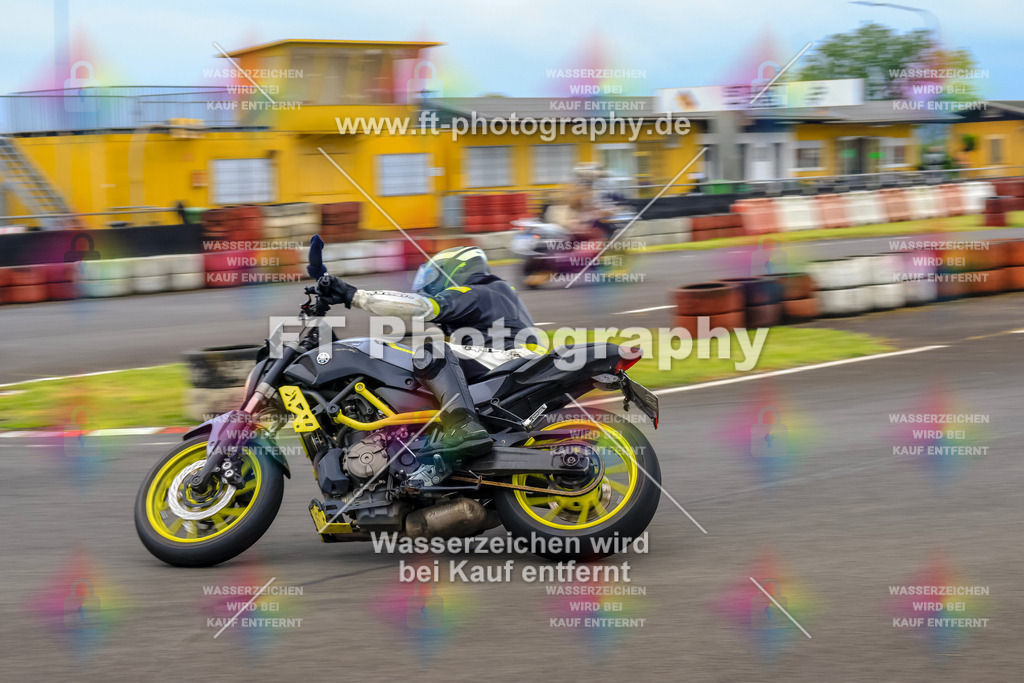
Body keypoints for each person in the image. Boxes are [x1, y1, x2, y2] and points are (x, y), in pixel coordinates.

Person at [315, 245, 541, 485]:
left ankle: (464, 427)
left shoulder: (480, 290)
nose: (431, 283)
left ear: (457, 269)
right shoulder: (491, 295)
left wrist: (354, 295)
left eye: (435, 276)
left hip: (510, 357)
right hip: (506, 362)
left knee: (432, 351)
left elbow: (419, 306)